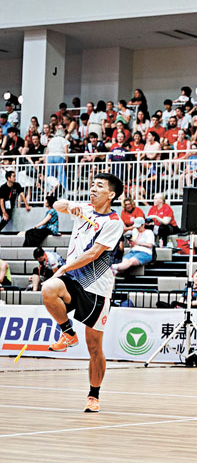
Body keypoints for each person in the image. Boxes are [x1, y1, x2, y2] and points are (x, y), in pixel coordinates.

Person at [41, 173, 126, 413]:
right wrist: (69, 208)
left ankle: (93, 394)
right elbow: (58, 206)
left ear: (111, 194)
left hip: (96, 287)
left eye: (99, 186)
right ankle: (68, 333)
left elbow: (93, 254)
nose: (93, 188)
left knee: (94, 347)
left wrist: (63, 267)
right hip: (73, 279)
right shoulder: (85, 208)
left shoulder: (114, 222)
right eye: (92, 185)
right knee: (48, 289)